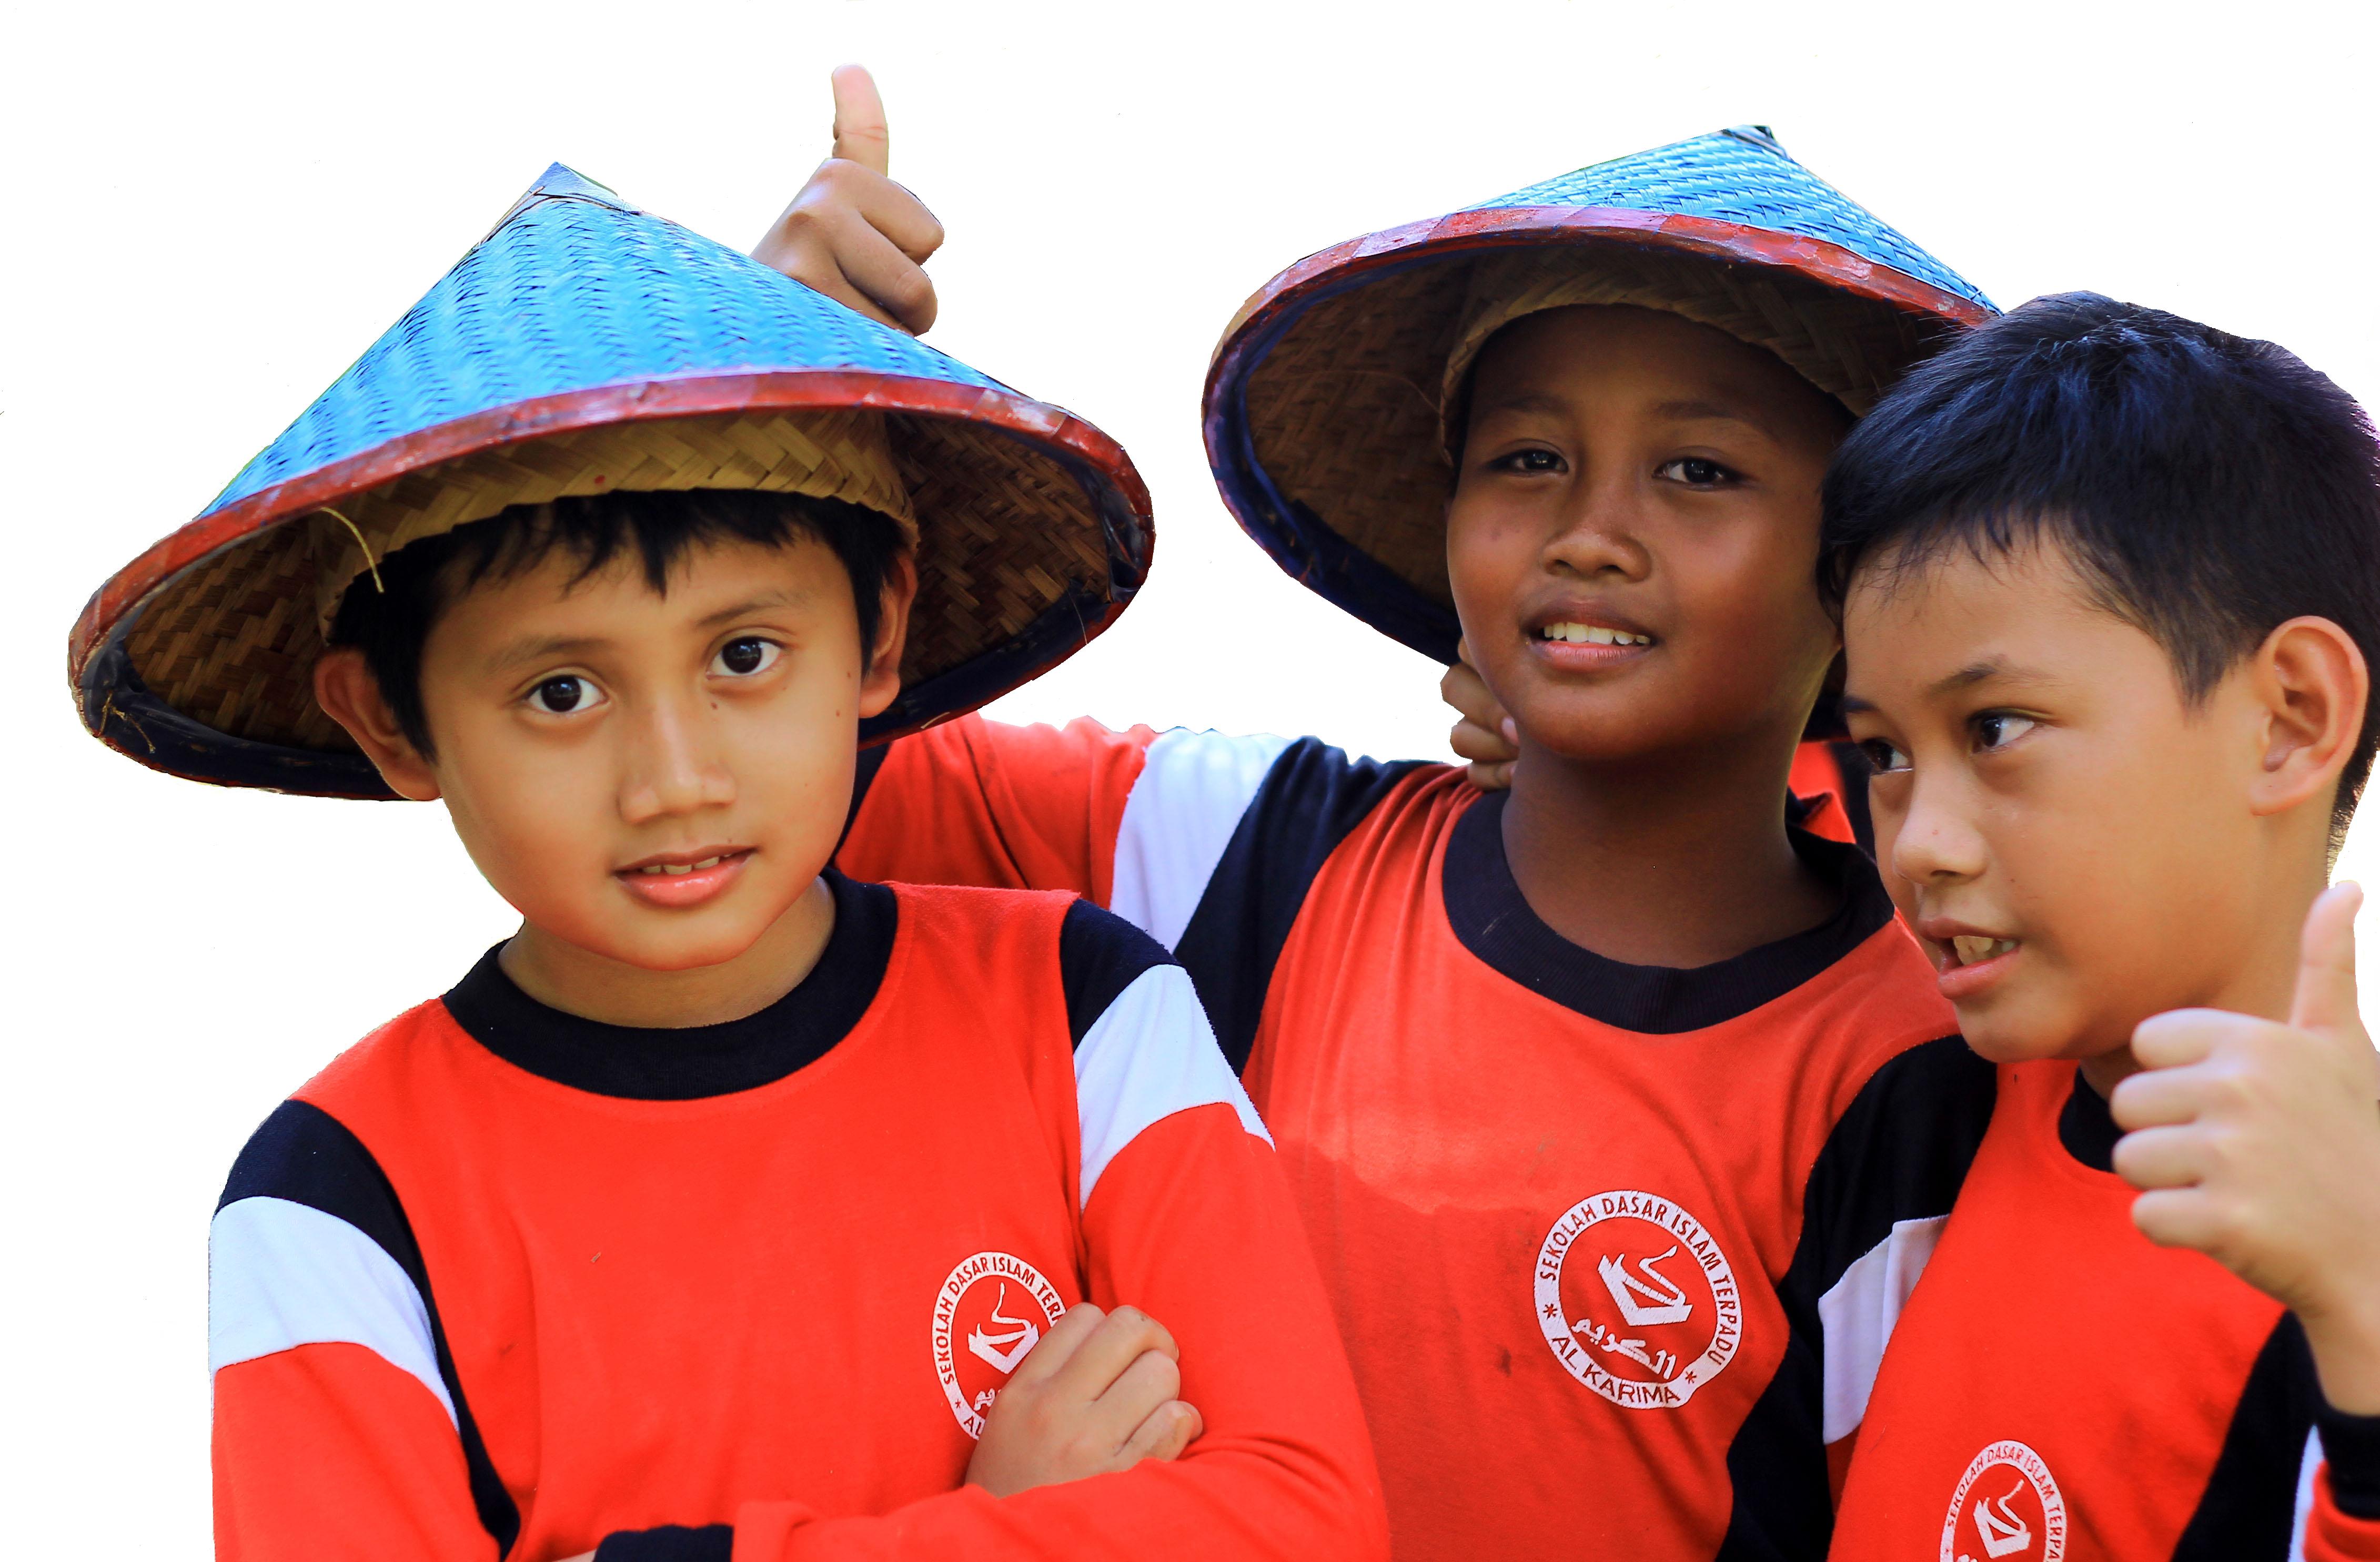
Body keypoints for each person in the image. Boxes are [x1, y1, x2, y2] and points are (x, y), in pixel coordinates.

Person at [69, 163, 1387, 1561]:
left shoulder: (1078, 1005)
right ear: (390, 721)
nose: (674, 780)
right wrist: (995, 1530)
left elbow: (1307, 1519)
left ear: (879, 639)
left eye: (744, 658)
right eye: (561, 694)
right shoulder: (340, 1194)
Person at [773, 69, 2000, 1559]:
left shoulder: (1928, 1059)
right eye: (1525, 460)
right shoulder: (1250, 853)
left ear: (1861, 571)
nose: (1588, 533)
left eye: (1699, 470)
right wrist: (777, 407)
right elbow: (777, 797)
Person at [1821, 292, 2380, 1559]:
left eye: (1996, 729)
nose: (1917, 844)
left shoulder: (2338, 1269)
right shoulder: (1954, 1107)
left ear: (2289, 717)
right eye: (1881, 753)